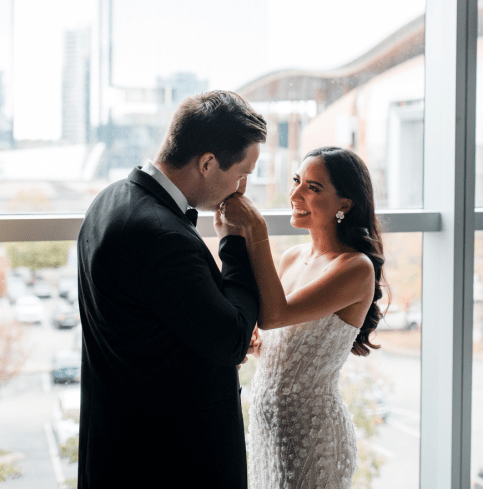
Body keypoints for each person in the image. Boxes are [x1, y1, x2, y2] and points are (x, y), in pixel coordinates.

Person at [76, 91, 266, 488]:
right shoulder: (161, 235)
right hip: (171, 461)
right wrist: (235, 239)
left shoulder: (109, 200)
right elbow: (231, 339)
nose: (242, 187)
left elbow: (158, 322)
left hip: (119, 445)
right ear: (208, 163)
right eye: (241, 172)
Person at [220, 146, 386, 489]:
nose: (295, 193)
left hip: (313, 437)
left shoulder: (356, 268)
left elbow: (274, 314)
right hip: (267, 430)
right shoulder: (293, 257)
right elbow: (281, 336)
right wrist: (257, 346)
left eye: (313, 187)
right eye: (297, 181)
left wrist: (256, 228)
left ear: (345, 203)